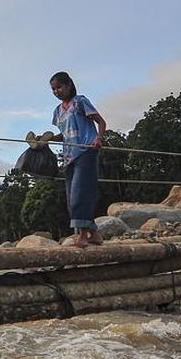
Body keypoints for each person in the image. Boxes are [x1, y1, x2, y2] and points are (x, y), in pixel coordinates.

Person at [46, 71, 106, 248]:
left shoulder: (80, 102)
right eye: (53, 89)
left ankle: (82, 236)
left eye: (59, 87)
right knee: (71, 197)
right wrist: (48, 138)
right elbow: (65, 134)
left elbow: (101, 122)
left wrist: (99, 138)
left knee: (79, 195)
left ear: (68, 85)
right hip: (69, 157)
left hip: (85, 151)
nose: (56, 91)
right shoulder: (57, 111)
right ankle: (94, 233)